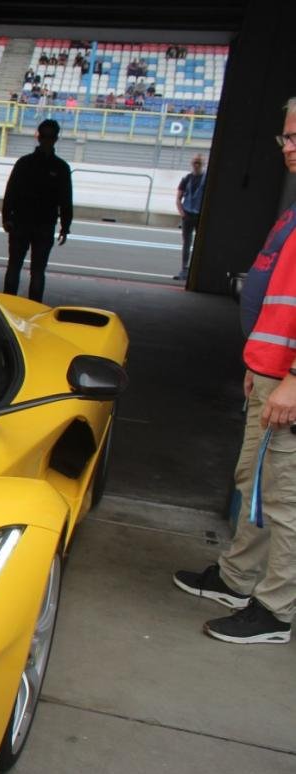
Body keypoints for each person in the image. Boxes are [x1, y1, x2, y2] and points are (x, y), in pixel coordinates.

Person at [172, 100, 296, 645]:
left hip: (289, 385)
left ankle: (275, 610)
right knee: (255, 486)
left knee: (285, 501)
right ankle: (238, 578)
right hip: (271, 375)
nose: (287, 146)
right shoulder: (293, 212)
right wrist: (259, 364)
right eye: (285, 137)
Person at [1, 118, 73, 304]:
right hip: (44, 224)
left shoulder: (24, 163)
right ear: (56, 139)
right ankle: (34, 309)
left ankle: (7, 307)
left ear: (38, 137)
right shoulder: (61, 168)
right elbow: (65, 200)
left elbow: (11, 191)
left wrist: (6, 217)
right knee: (38, 271)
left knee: (14, 267)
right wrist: (65, 226)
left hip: (21, 222)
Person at [174, 154, 206, 280]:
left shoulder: (207, 178)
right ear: (192, 164)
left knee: (200, 244)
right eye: (195, 163)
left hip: (200, 215)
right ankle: (184, 269)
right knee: (186, 243)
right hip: (188, 214)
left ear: (203, 164)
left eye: (199, 163)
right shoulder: (187, 178)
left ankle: (196, 270)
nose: (196, 165)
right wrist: (182, 213)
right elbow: (178, 197)